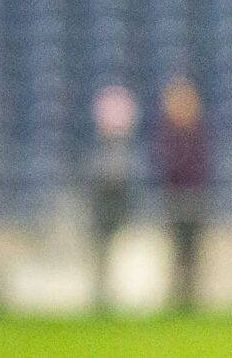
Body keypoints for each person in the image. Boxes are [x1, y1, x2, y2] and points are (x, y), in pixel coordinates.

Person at [154, 76, 210, 309]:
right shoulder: (169, 133)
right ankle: (177, 296)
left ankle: (191, 297)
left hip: (194, 198)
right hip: (176, 199)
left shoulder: (198, 131)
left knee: (193, 253)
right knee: (176, 252)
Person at [87, 85, 139, 309]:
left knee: (119, 257)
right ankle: (102, 296)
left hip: (117, 210)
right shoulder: (101, 157)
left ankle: (114, 295)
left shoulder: (125, 158)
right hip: (103, 212)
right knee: (101, 256)